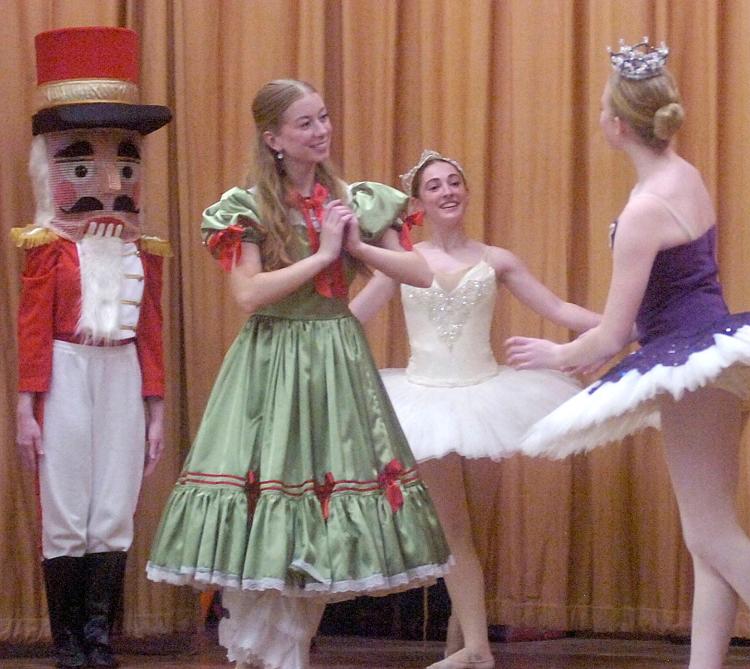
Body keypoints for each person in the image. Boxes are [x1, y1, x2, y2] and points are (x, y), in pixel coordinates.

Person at [506, 39, 750, 669]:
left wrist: (557, 354)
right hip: (711, 356)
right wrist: (575, 338)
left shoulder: (643, 208)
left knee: (715, 534)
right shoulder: (684, 176)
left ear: (616, 126)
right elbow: (651, 317)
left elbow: (615, 337)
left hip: (693, 373)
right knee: (706, 539)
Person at [145, 79, 450, 669]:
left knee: (325, 507)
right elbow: (250, 294)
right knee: (271, 502)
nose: (321, 131)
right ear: (274, 138)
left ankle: (294, 652)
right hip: (272, 361)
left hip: (336, 363)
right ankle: (268, 652)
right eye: (305, 123)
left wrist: (356, 246)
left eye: (324, 117)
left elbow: (418, 271)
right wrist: (320, 254)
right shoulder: (250, 205)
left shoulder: (357, 199)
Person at [350, 150, 599, 669]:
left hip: (488, 397)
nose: (447, 191)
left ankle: (459, 646)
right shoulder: (405, 263)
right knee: (454, 529)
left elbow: (556, 309)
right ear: (418, 202)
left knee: (471, 532)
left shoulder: (497, 259)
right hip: (425, 402)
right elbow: (352, 318)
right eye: (435, 186)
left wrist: (624, 324)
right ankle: (479, 652)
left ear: (466, 191)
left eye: (454, 182)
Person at [12, 27, 171, 669]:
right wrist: (27, 406)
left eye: (124, 165)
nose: (107, 183)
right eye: (82, 167)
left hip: (123, 374)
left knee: (112, 506)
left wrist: (156, 409)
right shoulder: (46, 249)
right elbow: (30, 328)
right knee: (66, 507)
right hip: (67, 371)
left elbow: (152, 330)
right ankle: (67, 641)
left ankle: (99, 636)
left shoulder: (144, 252)